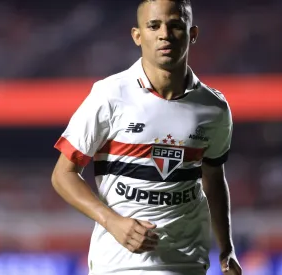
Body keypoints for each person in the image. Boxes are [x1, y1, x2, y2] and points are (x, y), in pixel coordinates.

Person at [51, 0, 242, 274]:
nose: (164, 34)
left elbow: (213, 178)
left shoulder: (214, 108)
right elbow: (62, 175)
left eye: (175, 25)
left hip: (186, 263)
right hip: (119, 266)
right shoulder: (109, 95)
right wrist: (113, 222)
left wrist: (226, 249)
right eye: (154, 26)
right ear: (137, 36)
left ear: (193, 34)